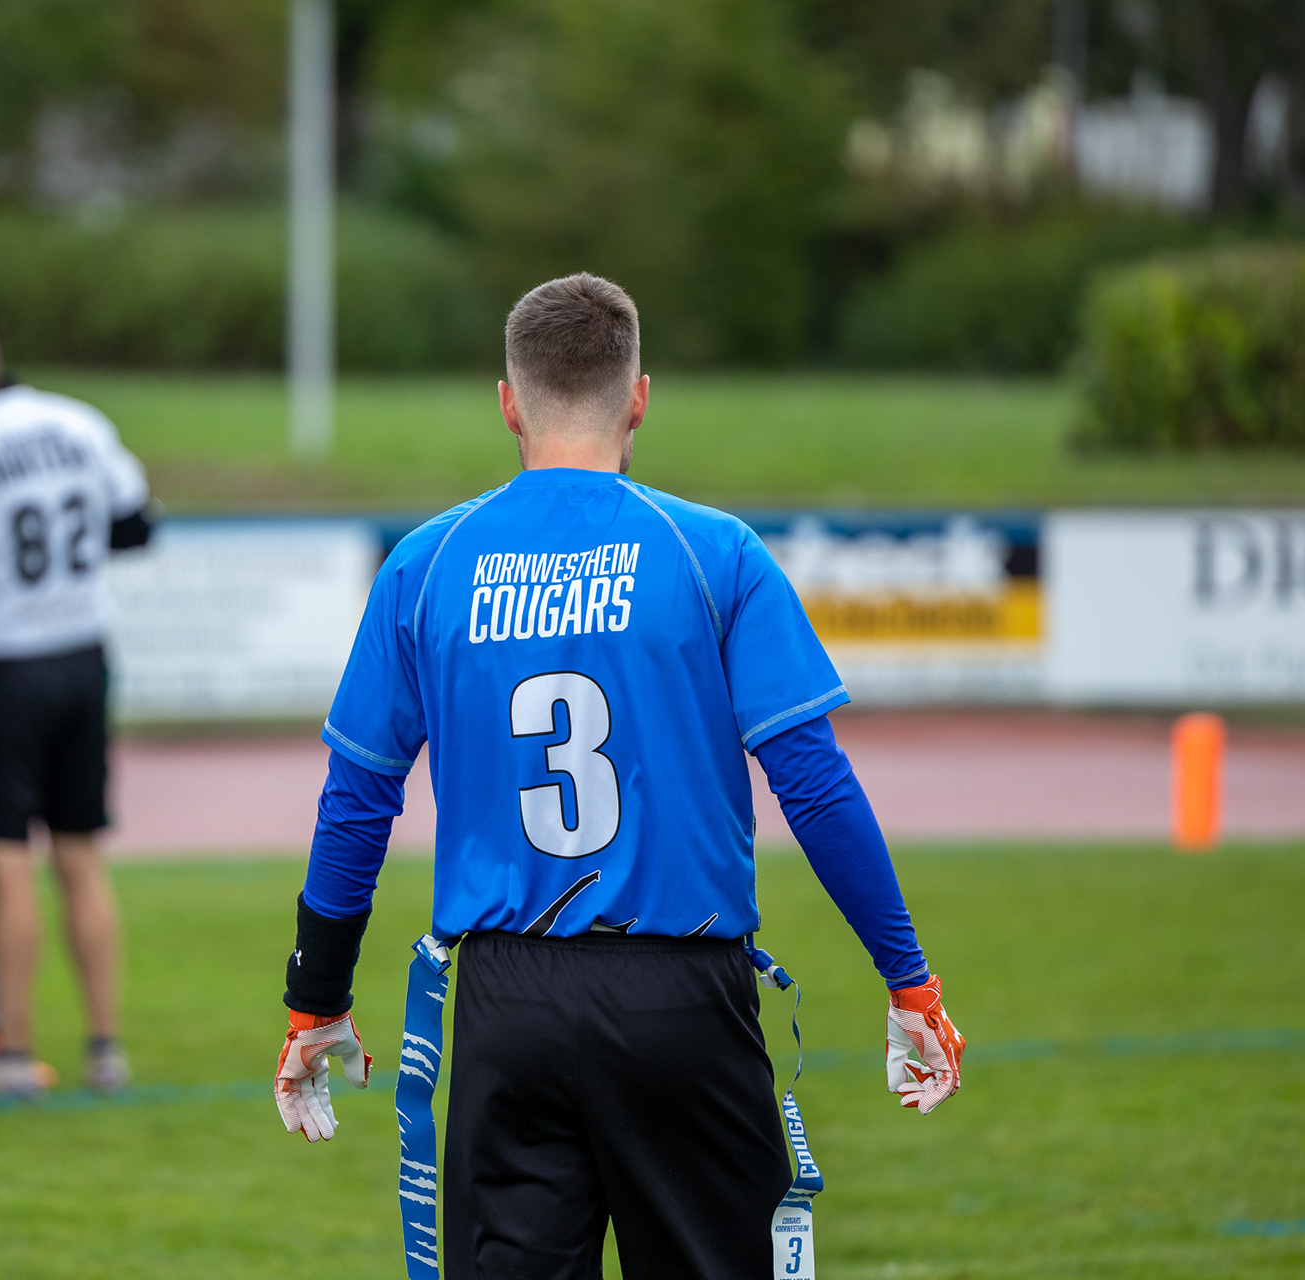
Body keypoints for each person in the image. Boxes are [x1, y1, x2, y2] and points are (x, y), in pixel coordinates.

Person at [271, 274, 966, 1279]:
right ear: (638, 397)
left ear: (508, 404)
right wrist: (908, 978)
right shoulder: (716, 552)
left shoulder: (427, 563)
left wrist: (316, 997)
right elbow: (814, 784)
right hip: (683, 999)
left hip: (507, 1004)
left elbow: (356, 800)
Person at [0, 318, 154, 1096]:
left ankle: (13, 1051)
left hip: (2, 667)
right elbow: (136, 524)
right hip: (83, 656)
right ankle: (105, 1047)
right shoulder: (79, 421)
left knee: (5, 861)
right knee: (81, 856)